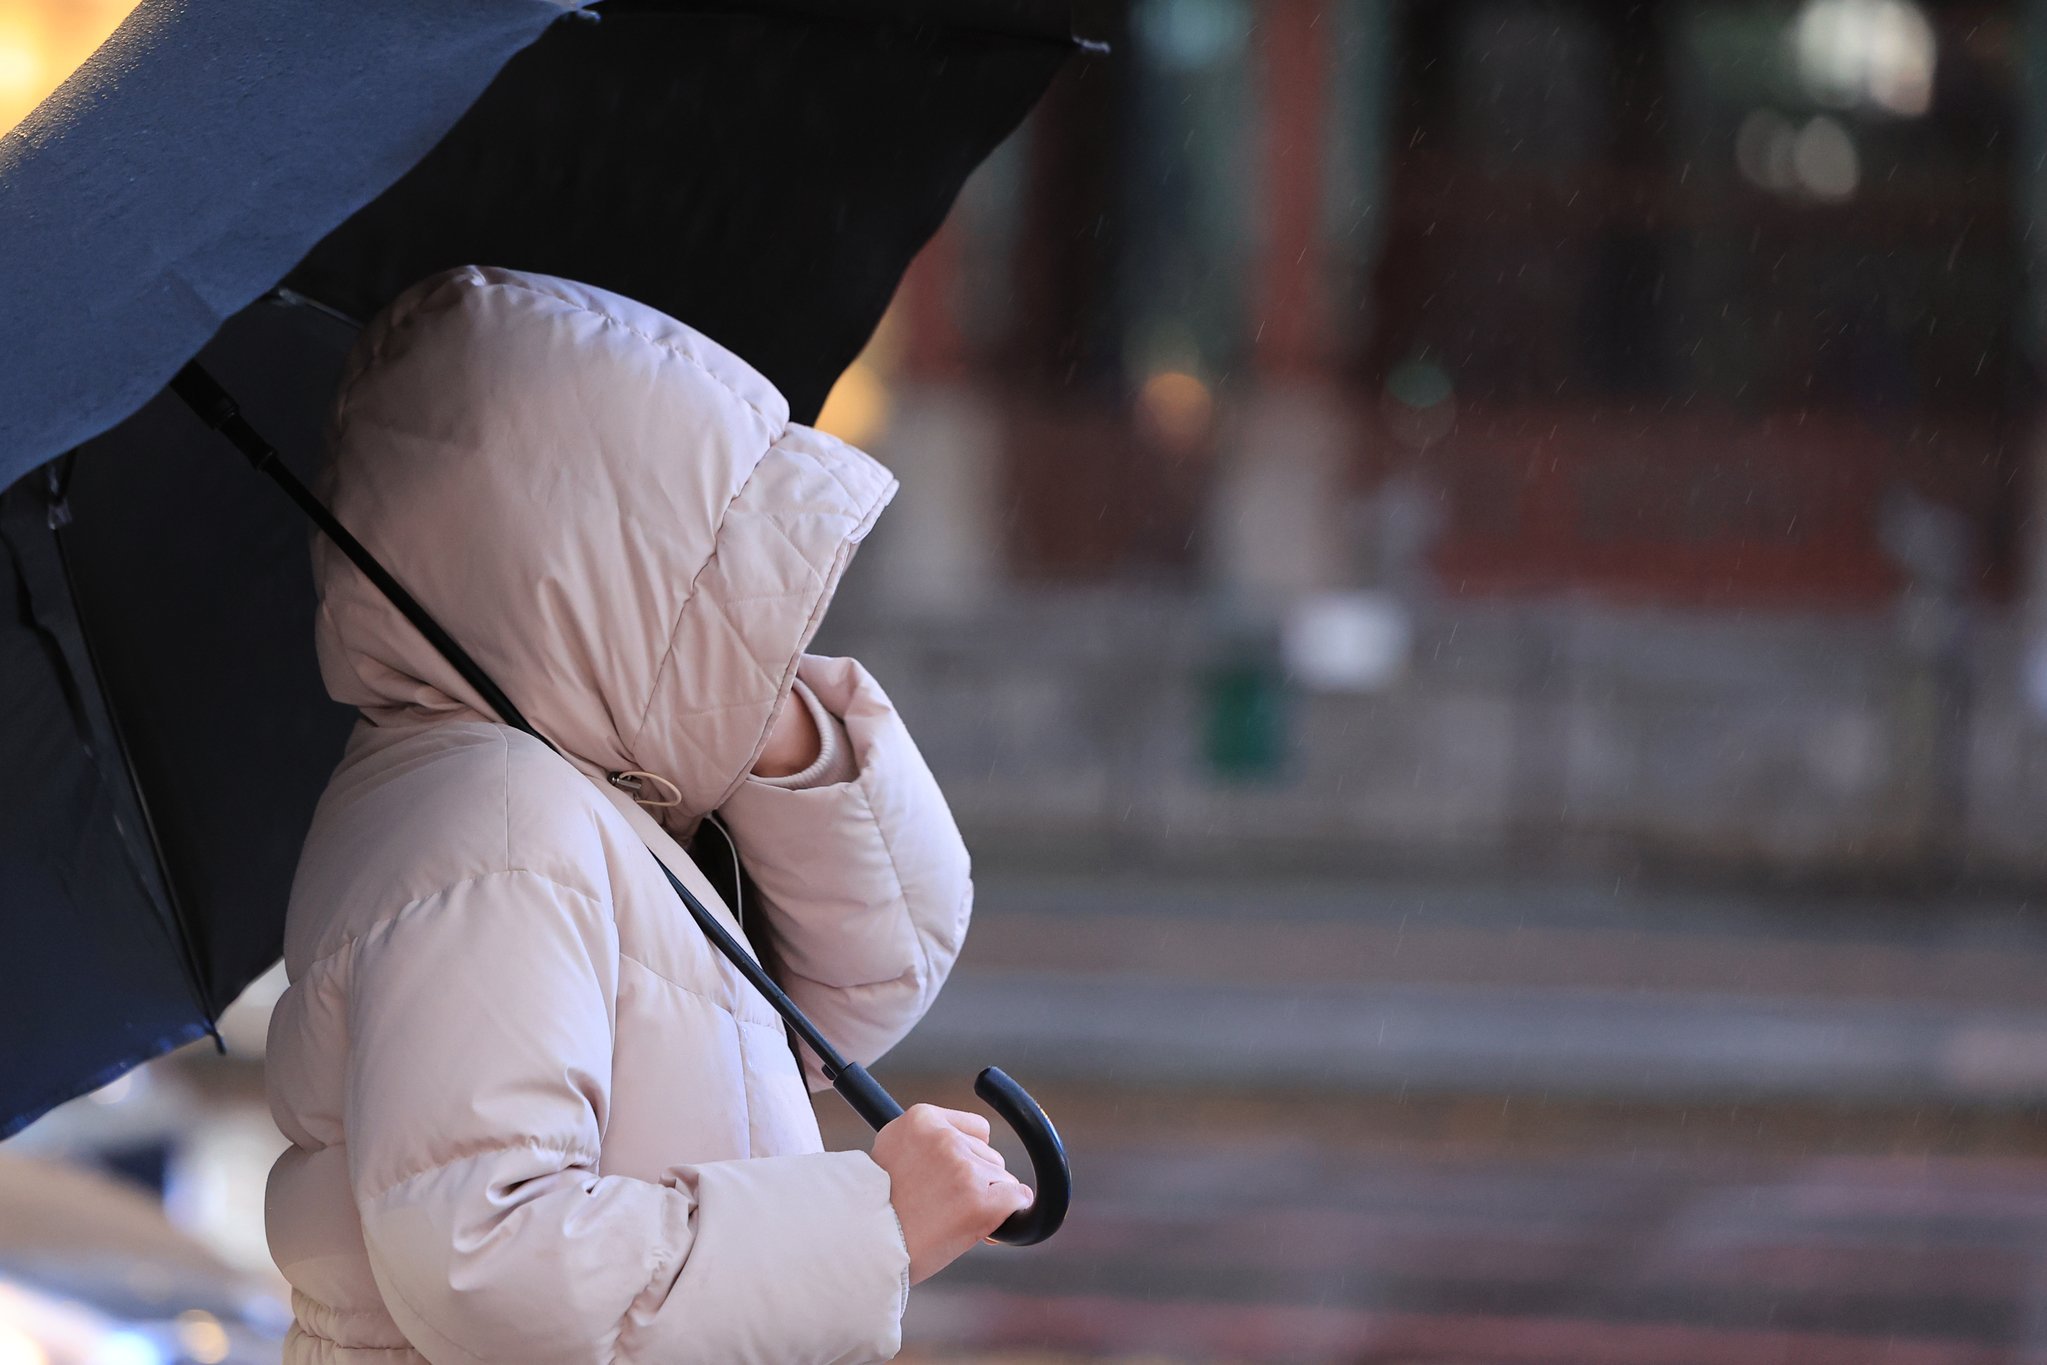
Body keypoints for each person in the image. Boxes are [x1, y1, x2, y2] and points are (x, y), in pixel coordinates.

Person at [262, 265, 1031, 1364]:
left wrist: (766, 727)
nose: (758, 621)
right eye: (708, 574)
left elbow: (878, 968)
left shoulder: (580, 796)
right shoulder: (500, 824)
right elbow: (486, 1257)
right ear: (571, 579)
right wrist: (872, 1230)